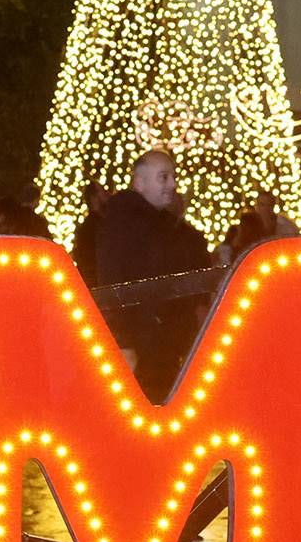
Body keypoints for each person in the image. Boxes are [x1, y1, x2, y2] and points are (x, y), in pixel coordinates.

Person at [73, 149, 213, 390]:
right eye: (163, 177)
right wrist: (125, 339)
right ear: (140, 182)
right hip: (146, 343)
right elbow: (115, 280)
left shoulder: (150, 223)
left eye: (173, 177)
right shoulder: (127, 225)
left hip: (158, 340)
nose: (172, 184)